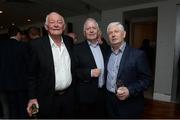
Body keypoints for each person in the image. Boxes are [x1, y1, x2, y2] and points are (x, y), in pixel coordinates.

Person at [26, 12, 76, 118]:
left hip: (69, 97)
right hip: (47, 98)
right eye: (52, 22)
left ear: (64, 26)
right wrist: (32, 97)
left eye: (59, 22)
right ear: (46, 26)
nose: (56, 25)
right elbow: (31, 74)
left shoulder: (69, 41)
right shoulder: (36, 45)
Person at [105, 22, 152, 118]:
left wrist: (129, 90)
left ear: (124, 34)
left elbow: (147, 80)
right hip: (109, 101)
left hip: (129, 104)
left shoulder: (138, 54)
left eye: (116, 31)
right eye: (110, 33)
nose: (113, 34)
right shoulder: (107, 54)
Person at [73, 18, 109, 118]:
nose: (91, 30)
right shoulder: (77, 49)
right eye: (88, 28)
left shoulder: (104, 47)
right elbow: (73, 71)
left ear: (98, 31)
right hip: (86, 95)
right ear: (85, 32)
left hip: (103, 93)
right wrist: (89, 73)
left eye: (94, 28)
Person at [0, 26, 28, 118]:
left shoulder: (1, 45)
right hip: (20, 84)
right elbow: (28, 65)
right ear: (18, 34)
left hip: (4, 84)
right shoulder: (23, 46)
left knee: (10, 109)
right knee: (22, 108)